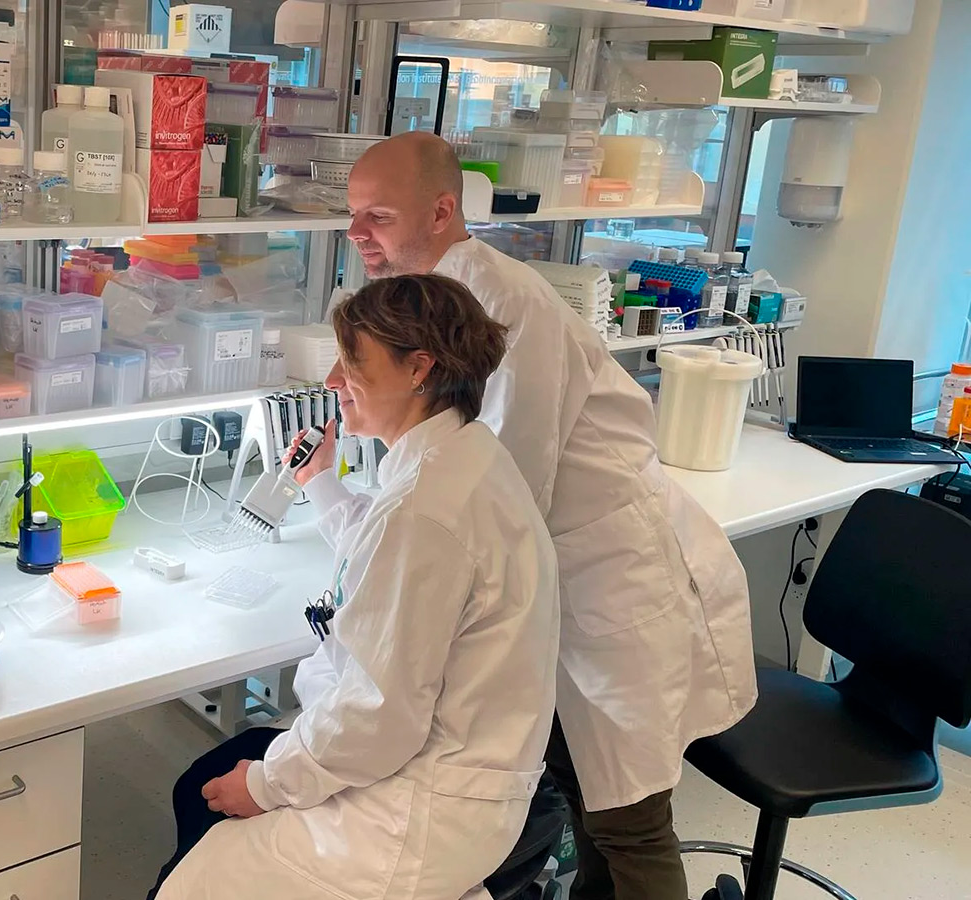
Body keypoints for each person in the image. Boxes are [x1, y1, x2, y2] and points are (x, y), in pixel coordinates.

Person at [343, 131, 757, 900]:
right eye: (353, 215)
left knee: (628, 820)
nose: (357, 234)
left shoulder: (507, 304)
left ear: (440, 212)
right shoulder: (425, 307)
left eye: (378, 217)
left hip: (611, 585)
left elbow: (507, 485)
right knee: (580, 789)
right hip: (559, 585)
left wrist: (413, 569)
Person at [152, 274, 561, 900]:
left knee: (197, 871)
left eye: (352, 362)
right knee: (200, 789)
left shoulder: (423, 509)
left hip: (416, 808)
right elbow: (389, 558)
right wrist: (320, 480)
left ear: (418, 368)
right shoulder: (464, 456)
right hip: (461, 773)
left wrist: (264, 785)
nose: (333, 380)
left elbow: (378, 716)